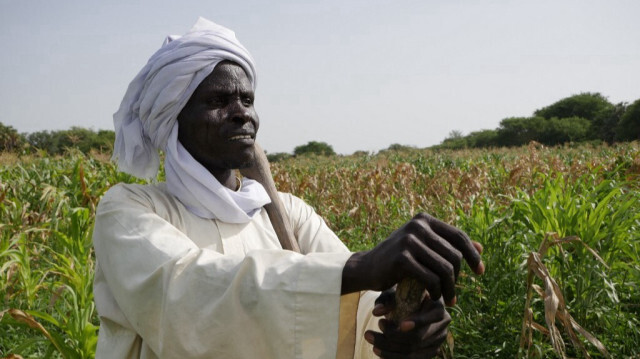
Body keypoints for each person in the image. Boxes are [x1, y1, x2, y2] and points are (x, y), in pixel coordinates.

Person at [93, 18, 484, 359]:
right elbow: (186, 298)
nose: (242, 112)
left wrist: (404, 325)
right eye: (217, 100)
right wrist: (364, 267)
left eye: (247, 99)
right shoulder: (130, 210)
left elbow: (355, 304)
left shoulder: (287, 213)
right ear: (171, 118)